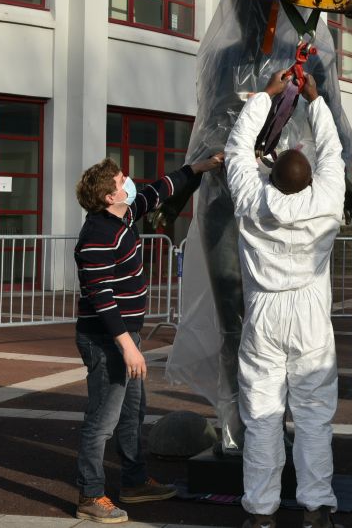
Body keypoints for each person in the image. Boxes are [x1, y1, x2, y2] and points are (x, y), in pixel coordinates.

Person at [72, 152, 224, 523]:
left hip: (127, 336)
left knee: (132, 412)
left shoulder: (124, 215)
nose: (129, 182)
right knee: (102, 420)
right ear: (109, 197)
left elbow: (158, 191)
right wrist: (127, 348)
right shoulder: (96, 235)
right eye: (122, 180)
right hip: (106, 339)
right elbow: (102, 299)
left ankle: (135, 481)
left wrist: (197, 169)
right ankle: (90, 495)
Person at [225, 71, 346, 528]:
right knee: (315, 416)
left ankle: (261, 512)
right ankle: (316, 508)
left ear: (270, 175)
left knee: (262, 415)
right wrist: (314, 103)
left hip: (264, 313)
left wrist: (267, 97)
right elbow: (333, 153)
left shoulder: (253, 200)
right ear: (309, 178)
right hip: (311, 312)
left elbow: (237, 149)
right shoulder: (328, 199)